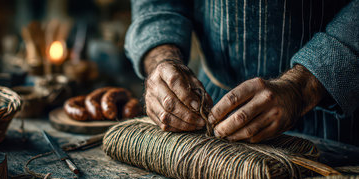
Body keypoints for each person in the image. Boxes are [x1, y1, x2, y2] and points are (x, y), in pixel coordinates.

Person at [124, 0, 359, 146]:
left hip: (337, 113)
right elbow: (156, 5)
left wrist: (303, 87)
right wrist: (161, 60)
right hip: (211, 103)